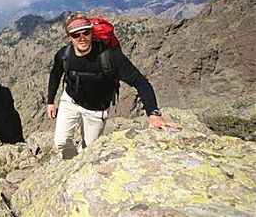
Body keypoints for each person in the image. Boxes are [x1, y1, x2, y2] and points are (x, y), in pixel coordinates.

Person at [47, 12, 181, 159]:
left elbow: (140, 82)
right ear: (69, 38)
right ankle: (69, 164)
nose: (82, 38)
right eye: (76, 35)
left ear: (92, 33)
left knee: (89, 149)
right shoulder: (64, 55)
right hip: (70, 102)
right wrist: (50, 102)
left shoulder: (110, 56)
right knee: (61, 142)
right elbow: (55, 74)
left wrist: (153, 114)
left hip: (96, 110)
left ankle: (79, 161)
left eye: (86, 32)